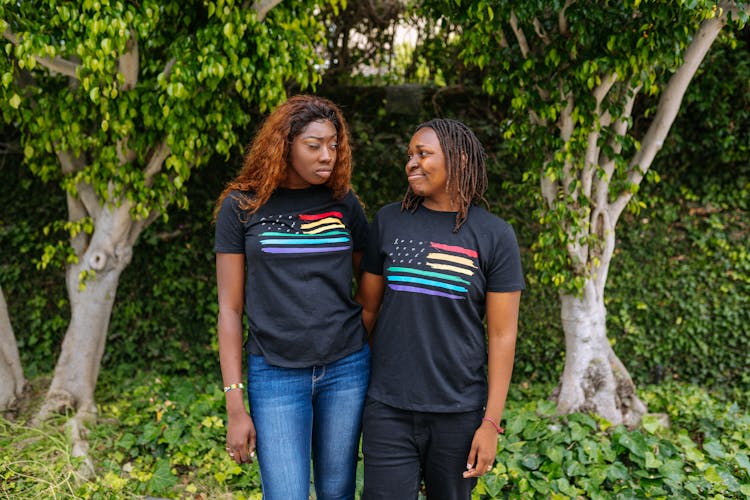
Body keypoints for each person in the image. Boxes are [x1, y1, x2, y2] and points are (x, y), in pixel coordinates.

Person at [356, 118, 525, 499]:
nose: (411, 163)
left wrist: (490, 423)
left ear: (460, 160)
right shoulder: (389, 221)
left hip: (458, 412)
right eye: (409, 155)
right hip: (388, 407)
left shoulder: (495, 235)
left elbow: (502, 335)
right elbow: (367, 310)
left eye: (423, 153)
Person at [213, 95, 370, 500]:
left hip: (346, 369)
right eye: (314, 145)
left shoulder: (344, 203)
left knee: (338, 491)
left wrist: (361, 332)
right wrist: (235, 403)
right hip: (275, 372)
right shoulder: (242, 206)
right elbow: (230, 310)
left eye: (334, 144)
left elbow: (370, 280)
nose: (328, 156)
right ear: (284, 144)